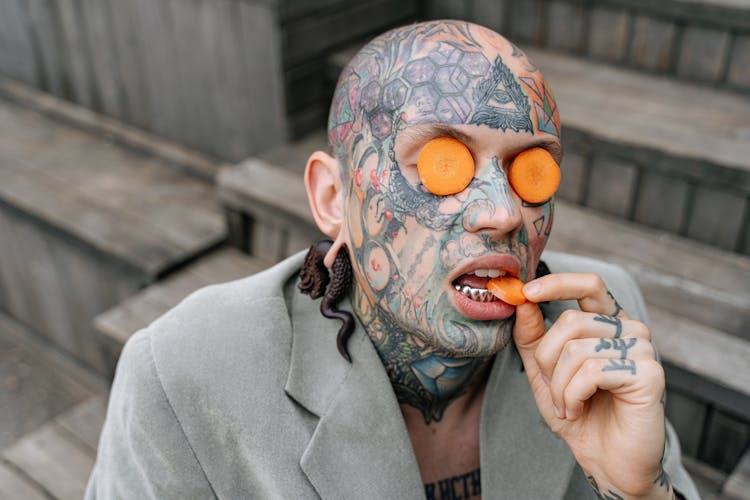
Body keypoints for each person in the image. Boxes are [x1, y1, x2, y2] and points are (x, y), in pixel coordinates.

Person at [86, 20, 700, 499]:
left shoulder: (603, 327)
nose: (504, 212)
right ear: (334, 198)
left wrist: (639, 492)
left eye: (530, 169)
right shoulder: (183, 373)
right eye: (442, 165)